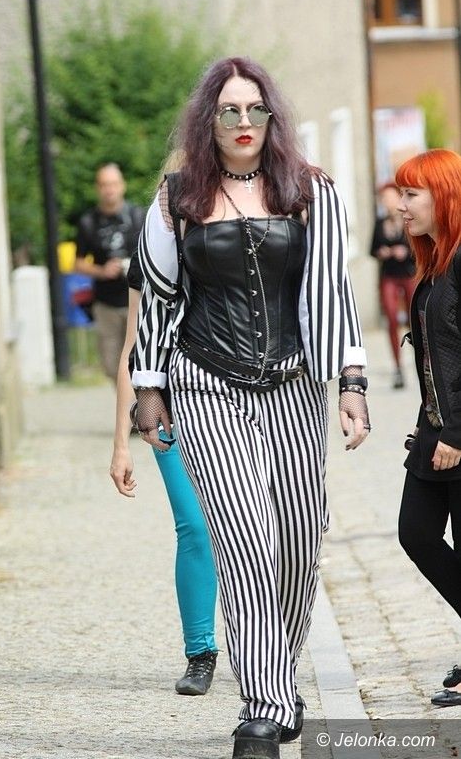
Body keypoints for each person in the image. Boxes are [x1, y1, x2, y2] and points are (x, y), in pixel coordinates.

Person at [131, 56, 370, 759]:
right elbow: (160, 302)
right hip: (206, 384)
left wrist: (351, 383)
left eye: (254, 109)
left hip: (294, 387)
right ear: (208, 120)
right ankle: (264, 707)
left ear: (272, 117)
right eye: (228, 110)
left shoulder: (311, 192)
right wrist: (149, 390)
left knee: (297, 542)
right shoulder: (178, 199)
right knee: (245, 546)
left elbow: (331, 293)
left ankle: (279, 679)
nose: (243, 122)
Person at [109, 248, 219, 695]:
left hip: (238, 401)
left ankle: (266, 652)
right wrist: (120, 444)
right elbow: (132, 349)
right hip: (167, 410)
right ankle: (201, 652)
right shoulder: (152, 247)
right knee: (195, 526)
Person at [395, 149, 461, 708]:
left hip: (458, 435)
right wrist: (432, 429)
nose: (401, 205)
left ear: (444, 195)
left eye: (411, 194)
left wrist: (458, 433)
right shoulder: (436, 264)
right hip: (435, 431)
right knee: (415, 532)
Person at [74, 164, 144, 381]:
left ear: (122, 186)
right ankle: (123, 400)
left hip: (137, 299)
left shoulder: (138, 216)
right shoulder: (88, 222)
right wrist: (102, 270)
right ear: (98, 188)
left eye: (113, 184)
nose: (109, 190)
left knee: (140, 361)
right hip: (106, 303)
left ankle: (137, 401)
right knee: (111, 364)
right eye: (104, 185)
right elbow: (78, 263)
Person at [370, 182, 416, 389]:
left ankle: (421, 360)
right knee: (391, 317)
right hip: (389, 275)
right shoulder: (380, 222)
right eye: (383, 198)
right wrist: (382, 252)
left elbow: (419, 247)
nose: (387, 202)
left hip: (409, 273)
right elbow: (372, 249)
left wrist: (405, 252)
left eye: (389, 197)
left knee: (415, 318)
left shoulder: (408, 220)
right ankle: (397, 367)